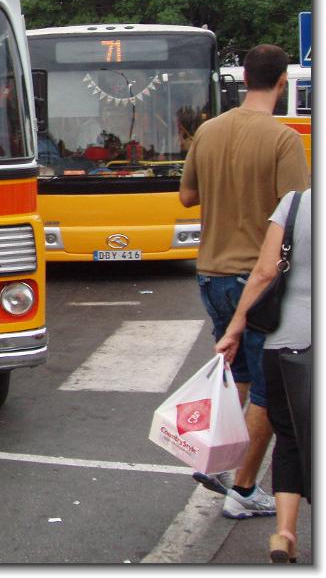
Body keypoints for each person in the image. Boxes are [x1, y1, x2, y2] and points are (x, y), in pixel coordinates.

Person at [179, 44, 309, 519]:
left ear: (245, 78)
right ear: (281, 82)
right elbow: (298, 214)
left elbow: (187, 196)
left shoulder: (208, 131)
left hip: (210, 274)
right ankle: (244, 488)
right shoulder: (283, 139)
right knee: (271, 392)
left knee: (238, 376)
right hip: (258, 280)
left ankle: (216, 460)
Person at [215, 189, 311, 562]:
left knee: (288, 438)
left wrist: (235, 330)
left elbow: (265, 272)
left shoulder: (295, 203)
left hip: (288, 339)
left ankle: (284, 533)